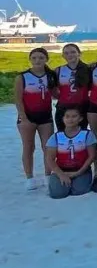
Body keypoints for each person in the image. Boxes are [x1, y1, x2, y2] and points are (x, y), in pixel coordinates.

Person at [15, 47, 56, 191]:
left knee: (48, 148)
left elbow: (56, 94)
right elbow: (18, 99)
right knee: (29, 147)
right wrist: (23, 118)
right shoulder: (23, 77)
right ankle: (29, 178)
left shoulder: (51, 76)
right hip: (27, 117)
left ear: (46, 59)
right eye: (34, 58)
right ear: (30, 60)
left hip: (45, 116)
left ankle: (47, 175)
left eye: (41, 58)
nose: (37, 60)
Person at [44, 106, 97, 199]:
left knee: (79, 191)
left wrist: (78, 173)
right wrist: (61, 174)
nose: (70, 119)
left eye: (74, 116)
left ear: (80, 118)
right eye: (67, 116)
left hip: (81, 170)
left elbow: (91, 156)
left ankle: (76, 181)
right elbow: (50, 158)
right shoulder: (56, 137)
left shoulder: (87, 134)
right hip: (61, 170)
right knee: (58, 194)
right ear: (63, 119)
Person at [55, 43, 90, 131]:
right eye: (66, 53)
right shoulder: (58, 70)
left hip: (81, 107)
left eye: (73, 52)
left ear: (79, 53)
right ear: (63, 56)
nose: (70, 55)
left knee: (81, 135)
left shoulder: (88, 69)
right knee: (62, 134)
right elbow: (54, 89)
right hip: (63, 107)